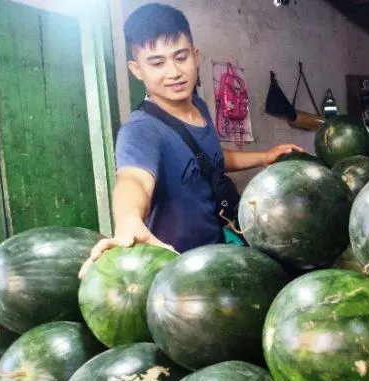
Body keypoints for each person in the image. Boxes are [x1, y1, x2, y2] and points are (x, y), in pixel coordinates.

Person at [80, 3, 302, 277]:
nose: (173, 72)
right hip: (176, 272)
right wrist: (128, 221)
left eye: (180, 57)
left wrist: (264, 157)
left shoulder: (198, 106)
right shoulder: (141, 129)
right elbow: (133, 179)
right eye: (157, 63)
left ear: (195, 56)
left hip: (214, 253)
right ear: (136, 69)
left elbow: (214, 157)